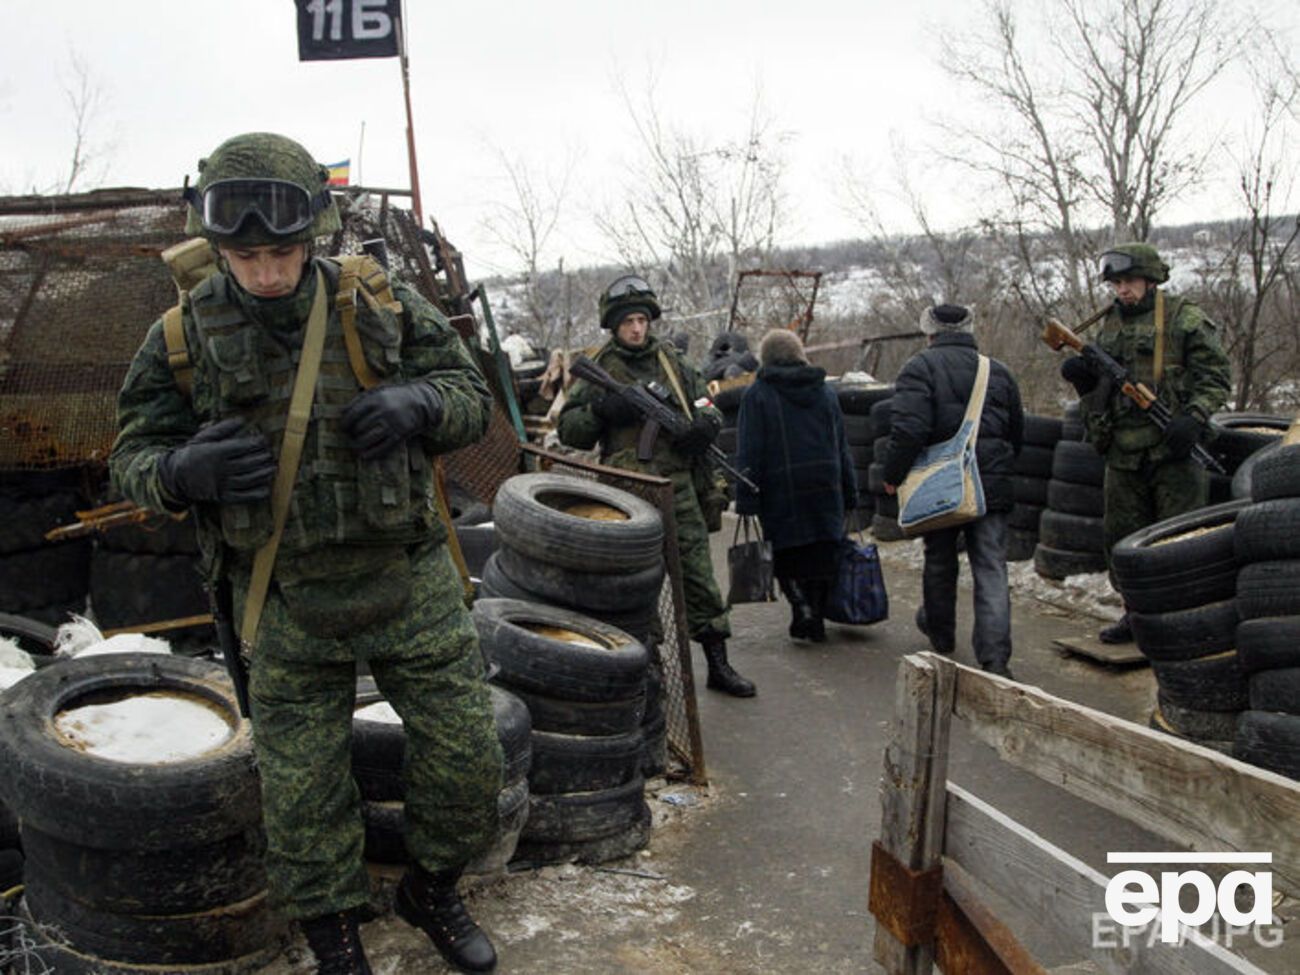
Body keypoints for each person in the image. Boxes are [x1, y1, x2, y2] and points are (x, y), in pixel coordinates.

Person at [110, 133, 503, 975]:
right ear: (215, 245)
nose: (265, 272)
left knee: (470, 756)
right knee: (302, 792)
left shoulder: (380, 303)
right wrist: (183, 470)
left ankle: (432, 887)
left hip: (407, 577)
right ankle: (334, 938)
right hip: (279, 592)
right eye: (245, 255)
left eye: (282, 252)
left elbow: (474, 397)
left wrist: (419, 401)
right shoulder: (181, 337)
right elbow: (132, 456)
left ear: (314, 235)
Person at [557, 274, 756, 697]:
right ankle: (649, 672)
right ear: (614, 325)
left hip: (677, 486)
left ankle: (718, 664)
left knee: (700, 579)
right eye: (628, 321)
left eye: (641, 320)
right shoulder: (599, 365)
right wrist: (603, 410)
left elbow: (706, 403)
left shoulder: (672, 361)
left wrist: (704, 427)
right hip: (625, 493)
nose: (636, 328)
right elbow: (570, 430)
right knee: (637, 584)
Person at [1059, 243, 1231, 644]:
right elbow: (1103, 386)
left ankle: (1179, 625)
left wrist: (1194, 416)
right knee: (1121, 541)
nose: (1123, 291)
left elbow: (1216, 377)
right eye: (1116, 283)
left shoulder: (1184, 319)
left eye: (1130, 282)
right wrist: (1084, 380)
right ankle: (1135, 617)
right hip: (1123, 451)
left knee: (1178, 544)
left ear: (1151, 280)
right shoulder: (1109, 324)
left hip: (1174, 451)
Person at [881, 304, 1024, 678]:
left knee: (940, 560)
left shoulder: (918, 368)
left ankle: (942, 636)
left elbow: (909, 430)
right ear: (969, 329)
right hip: (990, 484)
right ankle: (995, 660)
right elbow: (1017, 434)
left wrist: (893, 474)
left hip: (939, 484)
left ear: (929, 331)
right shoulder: (998, 371)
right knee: (991, 568)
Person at [734, 329, 856, 642]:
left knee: (786, 553)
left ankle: (799, 604)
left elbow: (749, 449)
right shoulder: (825, 392)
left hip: (781, 486)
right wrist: (850, 490)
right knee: (822, 552)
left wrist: (746, 497)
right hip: (824, 484)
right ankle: (815, 615)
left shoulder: (757, 394)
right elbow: (841, 445)